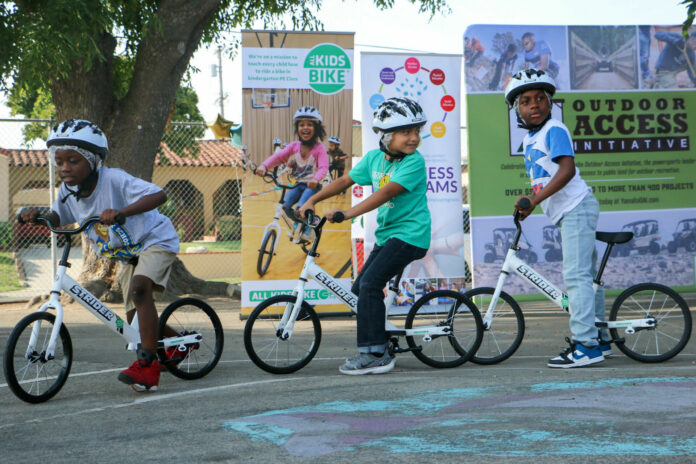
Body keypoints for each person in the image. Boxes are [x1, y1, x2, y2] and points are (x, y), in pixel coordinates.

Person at [19, 119, 180, 391]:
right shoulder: (68, 191)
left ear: (93, 161)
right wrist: (39, 215)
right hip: (128, 253)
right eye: (59, 162)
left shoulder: (114, 180)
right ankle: (177, 346)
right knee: (133, 318)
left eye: (73, 160)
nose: (64, 167)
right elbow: (59, 218)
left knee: (141, 290)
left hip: (155, 239)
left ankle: (149, 365)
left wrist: (122, 212)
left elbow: (159, 195)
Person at [298, 97, 431, 375]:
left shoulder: (414, 163)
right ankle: (382, 340)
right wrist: (313, 199)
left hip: (410, 235)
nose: (414, 138)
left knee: (370, 284)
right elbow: (345, 181)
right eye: (406, 132)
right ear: (385, 136)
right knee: (361, 290)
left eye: (416, 131)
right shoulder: (373, 159)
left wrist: (346, 213)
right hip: (389, 235)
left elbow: (384, 194)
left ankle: (375, 353)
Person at [504, 69, 608, 368]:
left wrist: (534, 200)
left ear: (550, 103)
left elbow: (567, 170)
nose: (534, 104)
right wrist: (531, 202)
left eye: (540, 98)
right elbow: (544, 178)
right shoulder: (532, 139)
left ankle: (586, 345)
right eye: (525, 101)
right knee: (585, 277)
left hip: (576, 207)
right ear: (517, 109)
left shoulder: (554, 129)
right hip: (571, 211)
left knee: (576, 277)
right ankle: (599, 337)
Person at [256, 107, 329, 239]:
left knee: (301, 207)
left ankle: (310, 227)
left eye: (309, 124)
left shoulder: (319, 148)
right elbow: (278, 157)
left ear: (316, 128)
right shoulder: (294, 146)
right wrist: (264, 166)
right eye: (301, 124)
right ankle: (299, 222)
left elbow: (324, 167)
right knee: (285, 206)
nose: (305, 128)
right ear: (297, 128)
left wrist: (316, 179)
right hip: (298, 184)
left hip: (312, 186)